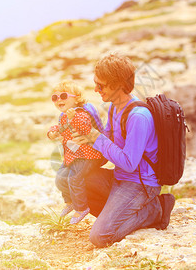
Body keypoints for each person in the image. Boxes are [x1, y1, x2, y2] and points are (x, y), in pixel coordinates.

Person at [72, 53, 176, 248]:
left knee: (100, 237)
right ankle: (119, 214)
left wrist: (97, 138)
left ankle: (155, 209)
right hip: (120, 179)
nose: (95, 90)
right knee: (75, 179)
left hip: (140, 185)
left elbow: (129, 163)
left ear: (117, 85)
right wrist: (86, 143)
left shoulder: (139, 117)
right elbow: (109, 141)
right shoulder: (114, 107)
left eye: (100, 85)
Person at [48, 81, 104, 224]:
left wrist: (73, 118)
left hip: (87, 156)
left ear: (77, 98)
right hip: (72, 155)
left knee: (75, 179)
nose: (59, 100)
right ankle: (70, 201)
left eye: (64, 96)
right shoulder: (64, 116)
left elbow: (86, 129)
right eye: (55, 98)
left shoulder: (80, 113)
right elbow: (60, 127)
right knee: (60, 178)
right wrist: (52, 133)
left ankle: (82, 208)